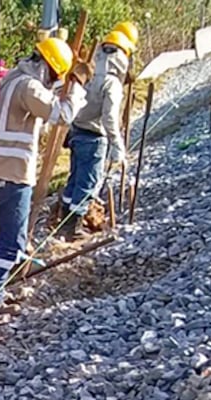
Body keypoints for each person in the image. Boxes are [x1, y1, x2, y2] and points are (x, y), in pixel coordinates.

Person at [0, 37, 83, 316]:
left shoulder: (14, 77)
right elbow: (62, 114)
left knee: (14, 234)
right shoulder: (29, 86)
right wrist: (77, 91)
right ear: (48, 68)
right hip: (12, 170)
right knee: (12, 239)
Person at [57, 29, 137, 241]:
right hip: (94, 138)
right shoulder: (112, 83)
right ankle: (73, 228)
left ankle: (62, 221)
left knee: (74, 179)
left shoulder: (90, 75)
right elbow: (109, 117)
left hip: (77, 133)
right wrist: (117, 144)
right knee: (88, 183)